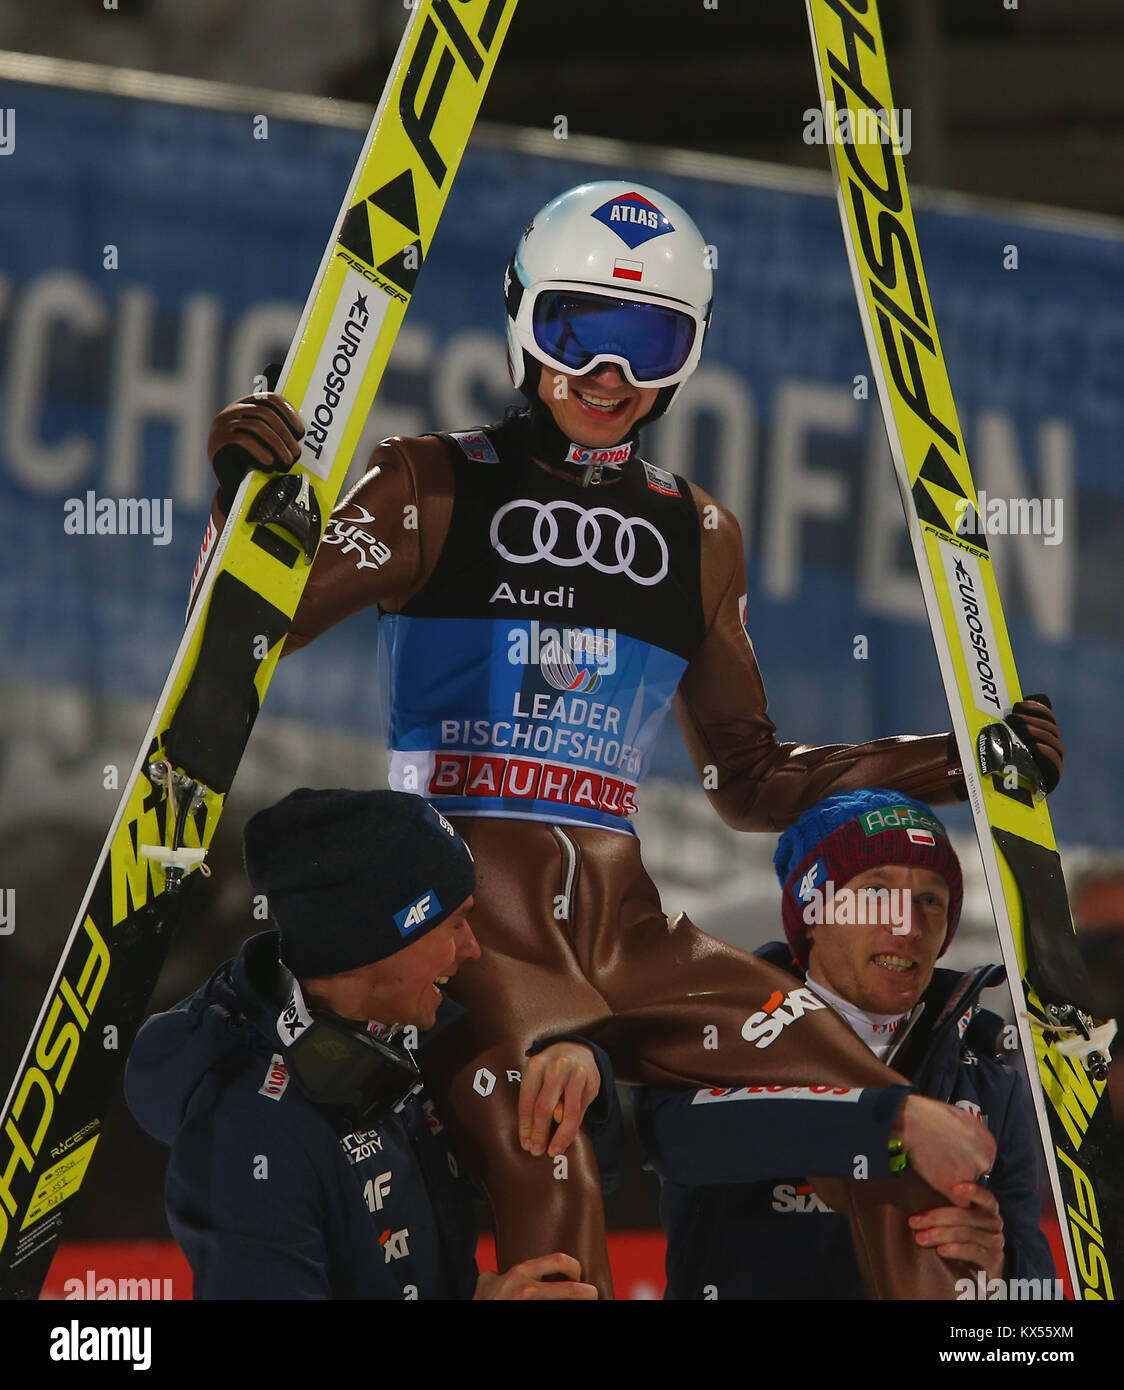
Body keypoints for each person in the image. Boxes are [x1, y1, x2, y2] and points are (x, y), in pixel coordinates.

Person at [195, 180, 1064, 1297]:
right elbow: (239, 640)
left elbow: (746, 780)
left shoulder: (697, 532)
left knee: (907, 1136)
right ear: (519, 318)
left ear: (685, 356)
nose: (608, 377)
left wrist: (960, 761)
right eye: (578, 331)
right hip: (483, 939)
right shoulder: (426, 484)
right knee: (554, 1185)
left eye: (646, 343)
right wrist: (242, 500)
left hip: (635, 938)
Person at [124, 787, 611, 1300]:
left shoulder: (419, 1028)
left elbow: (594, 1159)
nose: (472, 948)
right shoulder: (250, 1127)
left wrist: (577, 1063)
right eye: (454, 923)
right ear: (376, 946)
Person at [634, 788, 1058, 1299]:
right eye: (876, 893)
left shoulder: (986, 1056)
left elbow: (1037, 1293)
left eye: (930, 900)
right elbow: (678, 1141)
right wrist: (893, 1122)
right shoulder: (724, 1022)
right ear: (813, 912)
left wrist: (1000, 1269)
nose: (908, 927)